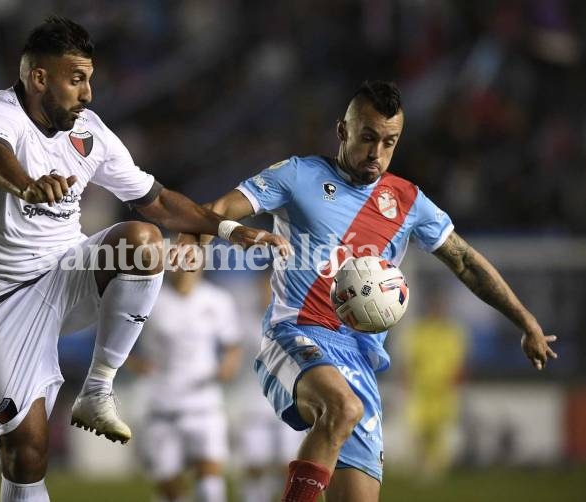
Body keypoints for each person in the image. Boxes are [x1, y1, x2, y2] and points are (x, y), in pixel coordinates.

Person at [0, 16, 286, 502]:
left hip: (66, 272)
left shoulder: (91, 133)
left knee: (145, 240)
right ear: (39, 78)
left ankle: (98, 389)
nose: (87, 93)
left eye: (90, 79)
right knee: (26, 453)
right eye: (76, 79)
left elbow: (160, 200)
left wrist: (231, 229)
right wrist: (27, 184)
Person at [180, 80, 558, 502]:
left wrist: (525, 321)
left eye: (389, 142)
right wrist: (201, 244)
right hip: (294, 335)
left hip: (359, 359)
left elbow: (465, 260)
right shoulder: (298, 174)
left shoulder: (409, 201)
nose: (376, 153)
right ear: (342, 131)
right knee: (342, 408)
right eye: (368, 138)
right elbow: (214, 212)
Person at [128, 266, 242, 502]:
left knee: (210, 477)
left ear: (200, 267)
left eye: (191, 264)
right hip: (161, 403)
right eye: (178, 264)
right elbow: (117, 340)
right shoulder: (149, 301)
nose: (185, 271)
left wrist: (228, 367)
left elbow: (232, 344)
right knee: (168, 484)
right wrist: (135, 364)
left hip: (204, 402)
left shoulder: (217, 299)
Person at [231, 273, 306, 502]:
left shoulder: (293, 321)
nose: (268, 293)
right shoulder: (244, 322)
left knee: (289, 465)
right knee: (255, 463)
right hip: (253, 399)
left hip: (287, 399)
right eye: (264, 288)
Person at [400, 289, 467, 480]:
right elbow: (409, 360)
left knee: (439, 430)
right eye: (435, 307)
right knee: (418, 428)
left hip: (443, 390)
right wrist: (406, 382)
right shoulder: (419, 331)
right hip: (420, 389)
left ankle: (435, 470)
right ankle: (419, 466)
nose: (438, 310)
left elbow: (459, 361)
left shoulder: (453, 332)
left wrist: (457, 381)